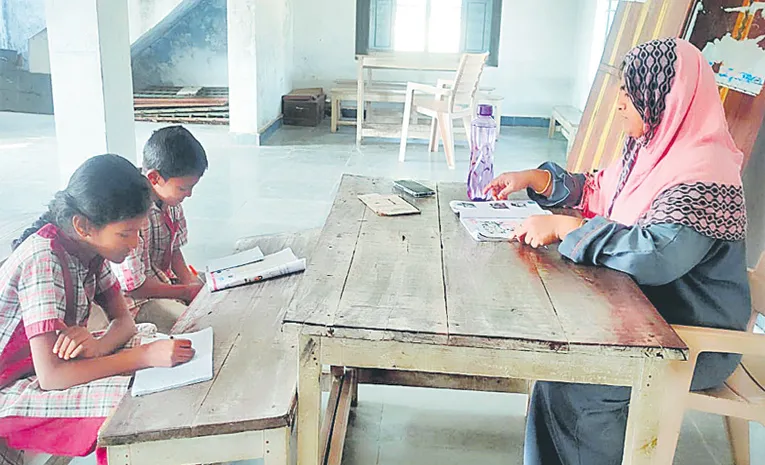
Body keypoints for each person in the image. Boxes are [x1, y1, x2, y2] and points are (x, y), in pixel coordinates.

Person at [485, 38, 751, 465]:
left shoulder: (706, 175)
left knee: (580, 382)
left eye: (631, 92)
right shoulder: (651, 152)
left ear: (666, 96)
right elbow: (597, 190)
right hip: (649, 319)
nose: (620, 104)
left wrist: (570, 227)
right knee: (557, 369)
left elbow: (655, 256)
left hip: (694, 338)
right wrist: (537, 179)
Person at [0, 154, 194, 463]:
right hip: (11, 387)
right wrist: (142, 357)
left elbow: (126, 323)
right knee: (128, 400)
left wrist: (98, 348)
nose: (134, 244)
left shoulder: (89, 249)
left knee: (150, 342)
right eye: (125, 233)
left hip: (45, 367)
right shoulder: (44, 260)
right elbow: (52, 377)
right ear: (83, 225)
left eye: (138, 232)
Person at [111, 126, 208, 333]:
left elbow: (173, 250)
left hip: (164, 280)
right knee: (195, 325)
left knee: (215, 290)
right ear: (154, 178)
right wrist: (184, 292)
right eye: (183, 188)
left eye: (192, 187)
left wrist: (189, 281)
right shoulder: (131, 213)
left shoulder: (171, 201)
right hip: (138, 301)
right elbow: (134, 287)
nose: (189, 194)